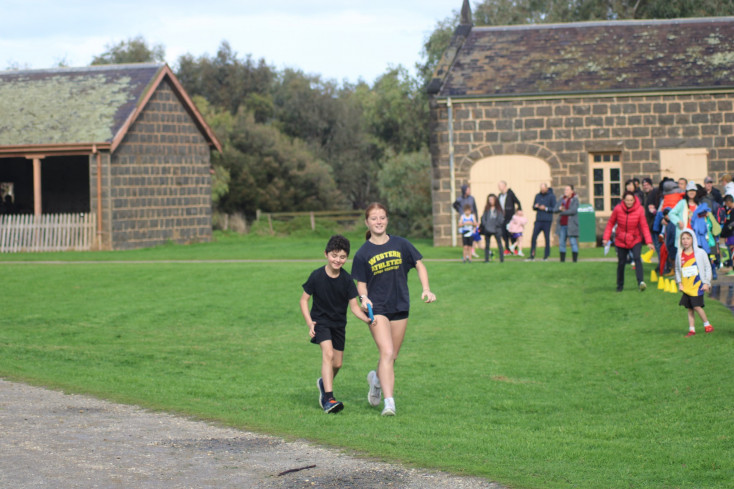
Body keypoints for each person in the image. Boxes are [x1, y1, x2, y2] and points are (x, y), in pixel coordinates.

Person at [351, 203, 436, 416]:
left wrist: (426, 289)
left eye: (382, 217)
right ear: (367, 223)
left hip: (400, 306)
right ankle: (390, 403)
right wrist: (364, 298)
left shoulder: (401, 244)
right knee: (386, 352)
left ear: (387, 220)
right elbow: (361, 283)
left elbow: (419, 264)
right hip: (377, 308)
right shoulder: (363, 253)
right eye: (374, 218)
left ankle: (376, 380)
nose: (378, 221)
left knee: (393, 355)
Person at [300, 235, 374, 414]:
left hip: (339, 325)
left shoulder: (347, 280)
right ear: (326, 254)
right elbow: (304, 300)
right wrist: (310, 323)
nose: (337, 260)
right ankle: (328, 398)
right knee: (328, 353)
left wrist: (368, 320)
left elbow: (355, 307)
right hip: (321, 322)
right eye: (334, 255)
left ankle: (323, 383)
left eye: (342, 257)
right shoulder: (316, 276)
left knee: (338, 364)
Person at [602, 191, 654, 291]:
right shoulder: (618, 209)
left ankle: (641, 283)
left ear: (634, 200)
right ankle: (620, 286)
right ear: (623, 200)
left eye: (631, 200)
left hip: (635, 238)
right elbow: (610, 223)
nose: (629, 202)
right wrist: (606, 238)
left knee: (637, 258)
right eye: (627, 200)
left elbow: (644, 226)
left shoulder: (639, 210)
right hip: (621, 239)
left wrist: (649, 242)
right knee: (621, 262)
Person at [675, 229, 713, 337]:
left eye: (688, 238)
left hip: (698, 286)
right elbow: (678, 270)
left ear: (693, 239)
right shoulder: (679, 255)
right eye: (683, 238)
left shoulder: (700, 253)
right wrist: (679, 283)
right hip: (686, 287)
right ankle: (692, 329)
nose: (685, 241)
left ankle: (707, 325)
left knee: (697, 306)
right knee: (690, 308)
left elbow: (707, 268)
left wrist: (706, 283)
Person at [668, 181, 703, 249]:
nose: (692, 192)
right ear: (687, 192)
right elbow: (671, 213)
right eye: (690, 190)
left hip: (695, 235)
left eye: (693, 190)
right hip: (683, 234)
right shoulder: (682, 203)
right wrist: (678, 221)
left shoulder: (699, 205)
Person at [528, 183, 556, 261]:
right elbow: (533, 207)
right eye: (541, 189)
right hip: (538, 220)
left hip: (547, 220)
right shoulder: (537, 196)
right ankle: (532, 255)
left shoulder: (551, 196)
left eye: (544, 189)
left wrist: (546, 208)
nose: (542, 190)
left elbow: (554, 208)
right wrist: (535, 206)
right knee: (533, 237)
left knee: (546, 238)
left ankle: (546, 256)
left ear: (547, 188)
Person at [453, 184, 480, 258]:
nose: (469, 191)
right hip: (464, 220)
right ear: (464, 191)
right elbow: (454, 205)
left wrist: (476, 220)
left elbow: (475, 209)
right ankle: (466, 255)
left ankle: (471, 252)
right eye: (468, 189)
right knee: (465, 238)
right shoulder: (459, 199)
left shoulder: (472, 198)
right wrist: (460, 210)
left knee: (472, 236)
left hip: (471, 219)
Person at [555, 185, 580, 263]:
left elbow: (573, 211)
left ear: (572, 191)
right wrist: (559, 209)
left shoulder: (575, 200)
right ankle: (562, 261)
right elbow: (555, 209)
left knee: (573, 242)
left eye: (568, 189)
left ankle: (574, 261)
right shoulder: (561, 199)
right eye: (565, 189)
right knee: (562, 243)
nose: (566, 191)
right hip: (562, 225)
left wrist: (562, 212)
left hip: (571, 225)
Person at [497, 180, 522, 255]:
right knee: (504, 234)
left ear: (504, 186)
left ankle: (515, 249)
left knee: (511, 234)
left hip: (510, 217)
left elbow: (518, 202)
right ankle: (507, 249)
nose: (499, 187)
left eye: (500, 186)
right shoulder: (499, 196)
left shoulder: (510, 194)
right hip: (502, 218)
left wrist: (519, 211)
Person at [480, 193, 505, 262]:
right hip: (487, 229)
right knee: (487, 245)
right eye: (489, 200)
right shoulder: (487, 209)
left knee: (499, 244)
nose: (490, 201)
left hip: (496, 229)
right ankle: (486, 259)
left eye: (492, 199)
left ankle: (501, 259)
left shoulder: (499, 210)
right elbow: (483, 218)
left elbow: (501, 219)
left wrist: (496, 225)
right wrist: (485, 225)